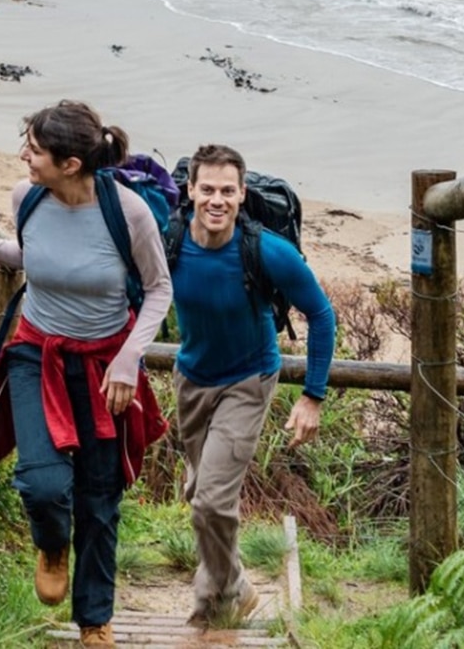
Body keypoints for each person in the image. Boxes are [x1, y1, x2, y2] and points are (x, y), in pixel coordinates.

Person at [0, 100, 172, 648]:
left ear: (71, 163)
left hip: (105, 364)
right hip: (37, 353)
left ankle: (95, 621)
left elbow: (158, 290)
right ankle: (52, 544)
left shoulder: (128, 213)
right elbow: (29, 255)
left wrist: (128, 360)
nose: (24, 155)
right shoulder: (25, 197)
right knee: (43, 484)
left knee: (100, 500)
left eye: (33, 148)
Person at [168, 144, 336, 629]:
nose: (216, 200)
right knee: (199, 492)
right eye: (207, 190)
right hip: (191, 377)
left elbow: (322, 315)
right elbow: (140, 290)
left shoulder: (267, 250)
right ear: (190, 191)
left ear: (242, 194)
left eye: (227, 190)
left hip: (249, 378)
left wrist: (313, 395)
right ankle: (230, 587)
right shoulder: (170, 238)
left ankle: (220, 596)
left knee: (211, 500)